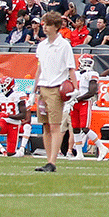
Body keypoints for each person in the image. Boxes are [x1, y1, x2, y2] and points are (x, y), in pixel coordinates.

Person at [33, 12, 77, 172]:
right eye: (44, 24)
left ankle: (53, 161)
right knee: (45, 125)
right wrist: (34, 90)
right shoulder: (42, 45)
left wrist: (75, 88)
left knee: (55, 125)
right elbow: (39, 69)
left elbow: (71, 69)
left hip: (56, 87)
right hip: (43, 87)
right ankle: (48, 160)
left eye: (48, 24)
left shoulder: (64, 45)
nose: (44, 27)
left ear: (56, 27)